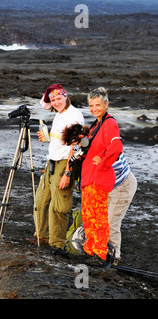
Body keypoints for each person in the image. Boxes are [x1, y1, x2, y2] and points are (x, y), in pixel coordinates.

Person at [29, 83, 85, 253]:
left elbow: (75, 148)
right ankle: (42, 236)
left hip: (64, 164)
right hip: (51, 163)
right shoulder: (60, 114)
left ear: (66, 96)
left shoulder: (74, 116)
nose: (56, 102)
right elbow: (62, 140)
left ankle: (57, 243)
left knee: (59, 207)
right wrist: (48, 139)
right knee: (41, 201)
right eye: (53, 100)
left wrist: (67, 173)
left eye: (59, 98)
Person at [80, 87, 123, 262]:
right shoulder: (96, 125)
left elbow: (117, 147)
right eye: (91, 105)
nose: (94, 108)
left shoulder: (109, 123)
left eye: (98, 104)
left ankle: (100, 254)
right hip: (89, 178)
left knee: (98, 218)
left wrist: (103, 162)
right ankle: (91, 251)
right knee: (88, 215)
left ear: (106, 104)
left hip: (98, 178)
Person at [108, 152, 137, 265]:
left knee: (111, 223)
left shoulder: (109, 141)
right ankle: (104, 254)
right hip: (110, 185)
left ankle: (114, 259)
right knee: (103, 222)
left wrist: (99, 164)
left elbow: (118, 165)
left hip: (123, 185)